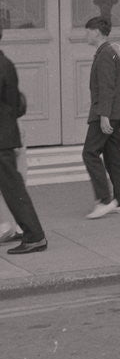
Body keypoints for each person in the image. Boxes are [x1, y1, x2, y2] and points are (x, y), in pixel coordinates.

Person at [0, 26, 47, 254]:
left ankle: (35, 236)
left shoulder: (2, 65)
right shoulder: (5, 63)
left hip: (1, 139)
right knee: (12, 187)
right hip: (4, 135)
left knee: (13, 188)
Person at [81, 16, 120, 218]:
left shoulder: (104, 55)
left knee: (89, 153)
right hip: (114, 113)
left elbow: (108, 88)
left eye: (88, 31)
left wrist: (104, 115)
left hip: (105, 113)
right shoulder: (111, 53)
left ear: (97, 32)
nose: (86, 34)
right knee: (113, 157)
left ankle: (104, 200)